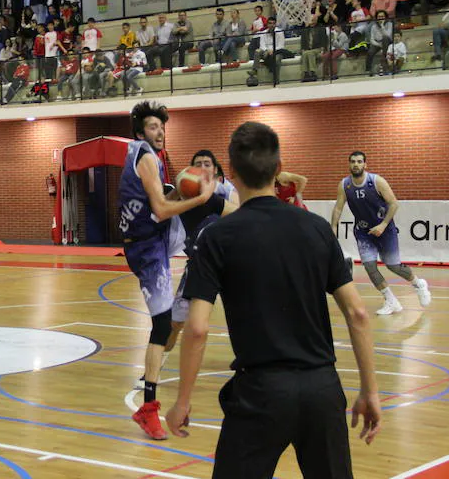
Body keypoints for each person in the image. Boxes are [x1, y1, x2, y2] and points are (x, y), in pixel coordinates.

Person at [165, 121, 382, 479]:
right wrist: (370, 391)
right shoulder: (315, 228)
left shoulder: (217, 237)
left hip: (260, 394)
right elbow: (358, 313)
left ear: (230, 172)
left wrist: (183, 400)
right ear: (279, 171)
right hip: (322, 390)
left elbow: (198, 329)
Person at [118, 101, 215, 440]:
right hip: (147, 246)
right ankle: (148, 409)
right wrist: (199, 198)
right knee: (161, 324)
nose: (160, 132)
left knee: (207, 232)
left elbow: (158, 200)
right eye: (153, 127)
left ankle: (209, 261)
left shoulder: (146, 155)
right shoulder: (145, 156)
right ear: (140, 131)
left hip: (154, 237)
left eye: (162, 127)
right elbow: (160, 208)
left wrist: (181, 191)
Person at [134, 149, 237, 390]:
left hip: (231, 265)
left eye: (207, 164)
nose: (202, 167)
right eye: (197, 164)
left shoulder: (223, 194)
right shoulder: (184, 198)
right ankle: (154, 369)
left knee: (244, 316)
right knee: (175, 323)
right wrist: (178, 188)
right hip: (200, 267)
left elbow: (244, 216)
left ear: (215, 171)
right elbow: (158, 210)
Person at [331, 151, 432, 314]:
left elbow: (394, 204)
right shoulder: (344, 185)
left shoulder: (376, 181)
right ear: (349, 164)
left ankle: (418, 283)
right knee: (369, 266)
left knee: (393, 266)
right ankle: (391, 301)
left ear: (365, 164)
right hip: (363, 231)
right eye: (353, 162)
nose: (356, 164)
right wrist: (333, 227)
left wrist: (383, 225)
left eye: (359, 161)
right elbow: (338, 207)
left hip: (385, 229)